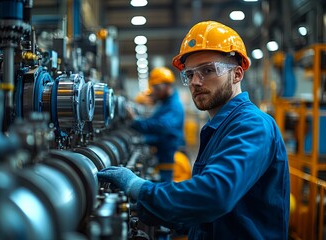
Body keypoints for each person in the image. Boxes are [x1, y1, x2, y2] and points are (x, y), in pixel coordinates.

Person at [98, 20, 290, 239]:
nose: (195, 82)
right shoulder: (219, 128)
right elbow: (209, 215)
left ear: (237, 74)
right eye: (189, 74)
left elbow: (213, 195)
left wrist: (139, 188)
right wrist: (152, 210)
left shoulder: (252, 126)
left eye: (208, 70)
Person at [127, 67, 187, 182]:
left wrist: (136, 122)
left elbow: (162, 127)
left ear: (167, 86)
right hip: (166, 156)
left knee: (168, 191)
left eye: (157, 88)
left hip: (171, 159)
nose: (154, 92)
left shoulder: (173, 105)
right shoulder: (165, 103)